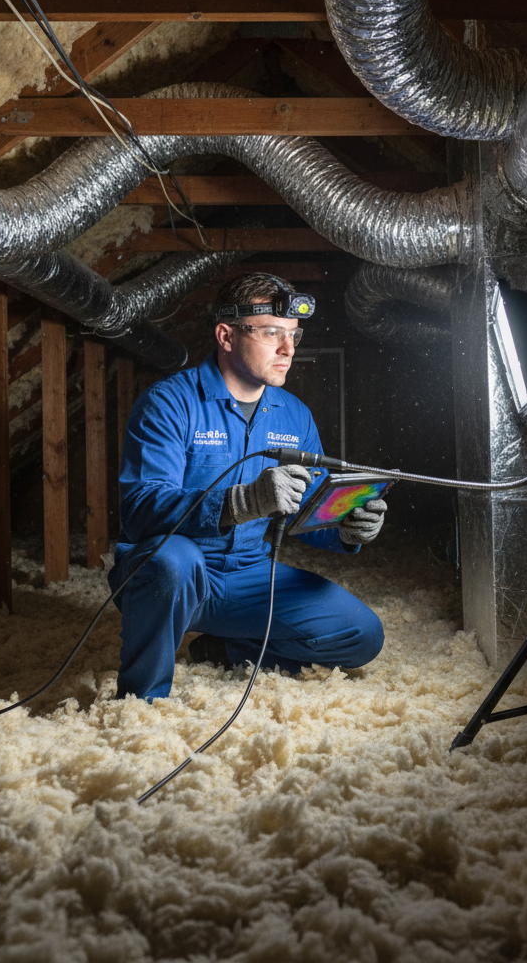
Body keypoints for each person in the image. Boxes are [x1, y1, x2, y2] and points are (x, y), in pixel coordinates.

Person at [108, 271, 387, 701]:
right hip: (175, 572)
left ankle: (228, 647)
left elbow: (304, 510)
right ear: (226, 335)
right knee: (172, 560)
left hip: (248, 577)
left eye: (294, 335)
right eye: (272, 333)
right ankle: (141, 699)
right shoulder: (169, 403)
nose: (288, 349)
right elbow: (141, 508)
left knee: (362, 635)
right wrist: (241, 502)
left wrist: (347, 527)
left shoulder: (293, 415)